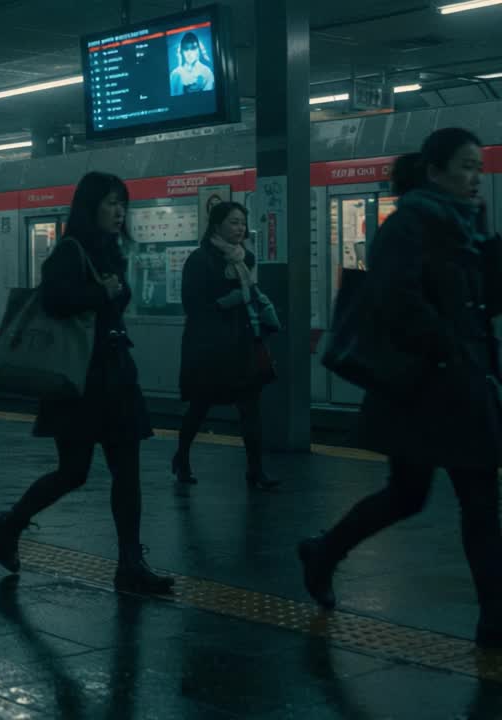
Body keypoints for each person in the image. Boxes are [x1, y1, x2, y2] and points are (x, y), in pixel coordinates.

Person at [298, 128, 502, 649]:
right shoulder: (408, 224)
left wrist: (490, 255)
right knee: (411, 495)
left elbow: (482, 303)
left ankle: (493, 619)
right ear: (434, 171)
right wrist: (445, 345)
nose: (475, 177)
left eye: (479, 168)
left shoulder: (467, 227)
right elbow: (396, 300)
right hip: (421, 389)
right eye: (465, 166)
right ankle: (324, 551)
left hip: (462, 385)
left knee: (477, 501)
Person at [0, 171, 173, 595]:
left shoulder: (112, 252)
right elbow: (55, 300)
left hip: (115, 374)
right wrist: (101, 293)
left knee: (127, 471)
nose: (119, 211)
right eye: (111, 203)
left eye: (122, 203)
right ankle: (11, 522)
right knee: (73, 472)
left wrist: (111, 293)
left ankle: (130, 563)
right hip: (78, 382)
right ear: (90, 207)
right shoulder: (69, 252)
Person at [173, 202, 279, 490]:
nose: (240, 228)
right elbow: (192, 306)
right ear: (217, 225)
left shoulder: (246, 259)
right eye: (233, 222)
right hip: (210, 347)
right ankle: (182, 457)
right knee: (200, 406)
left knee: (250, 407)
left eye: (242, 222)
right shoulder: (200, 260)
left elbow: (251, 295)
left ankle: (255, 470)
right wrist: (226, 302)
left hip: (242, 343)